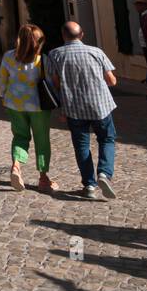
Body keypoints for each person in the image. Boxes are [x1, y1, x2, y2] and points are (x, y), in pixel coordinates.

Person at [46, 21, 118, 201]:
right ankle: (104, 174)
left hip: (73, 107)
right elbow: (111, 81)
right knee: (107, 139)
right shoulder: (96, 52)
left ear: (63, 36)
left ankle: (89, 185)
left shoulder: (54, 55)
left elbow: (55, 83)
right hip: (100, 106)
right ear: (82, 35)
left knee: (82, 146)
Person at [0, 24, 58, 195]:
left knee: (20, 136)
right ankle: (43, 178)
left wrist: (3, 95)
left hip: (14, 104)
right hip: (38, 105)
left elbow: (2, 80)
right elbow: (52, 83)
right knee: (42, 140)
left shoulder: (8, 56)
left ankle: (16, 166)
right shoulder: (42, 59)